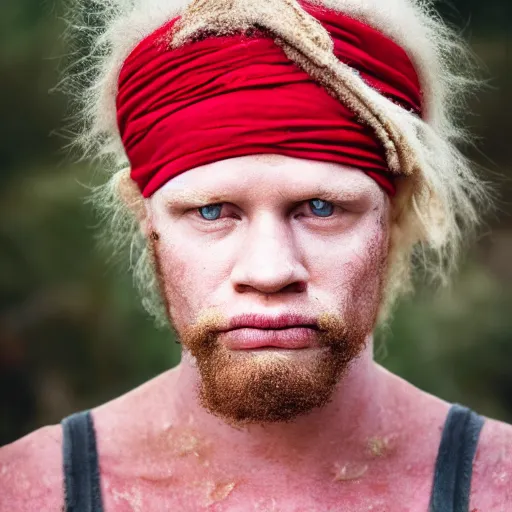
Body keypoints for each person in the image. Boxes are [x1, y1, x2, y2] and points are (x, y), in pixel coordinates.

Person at [1, 0, 511, 510]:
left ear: (394, 211)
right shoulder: (26, 491)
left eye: (321, 207)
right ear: (146, 218)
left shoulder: (497, 486)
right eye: (211, 211)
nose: (268, 272)